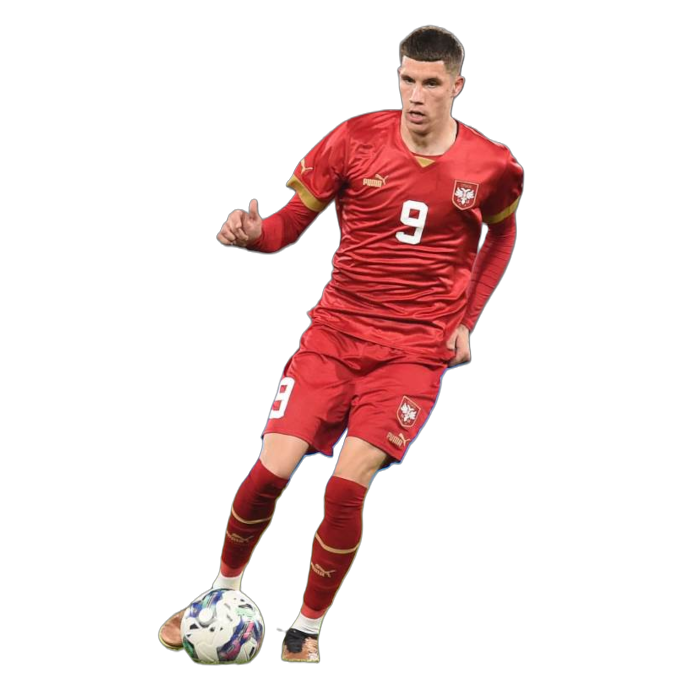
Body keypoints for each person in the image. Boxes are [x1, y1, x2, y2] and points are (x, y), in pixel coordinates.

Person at [158, 25, 523, 664]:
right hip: (333, 336)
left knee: (345, 488)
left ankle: (307, 628)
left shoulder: (492, 165)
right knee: (269, 471)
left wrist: (468, 318)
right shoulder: (354, 139)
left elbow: (502, 235)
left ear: (457, 86)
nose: (416, 95)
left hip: (413, 352)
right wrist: (253, 235)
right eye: (407, 80)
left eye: (431, 83)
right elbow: (287, 227)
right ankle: (219, 594)